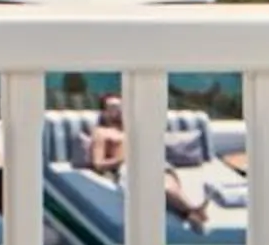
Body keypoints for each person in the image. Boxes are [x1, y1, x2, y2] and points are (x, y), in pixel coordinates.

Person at [85, 93, 209, 231]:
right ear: (104, 112)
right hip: (128, 167)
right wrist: (125, 159)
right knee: (158, 188)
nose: (119, 110)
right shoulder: (102, 133)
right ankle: (193, 211)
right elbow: (98, 164)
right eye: (113, 107)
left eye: (121, 106)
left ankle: (191, 212)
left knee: (168, 187)